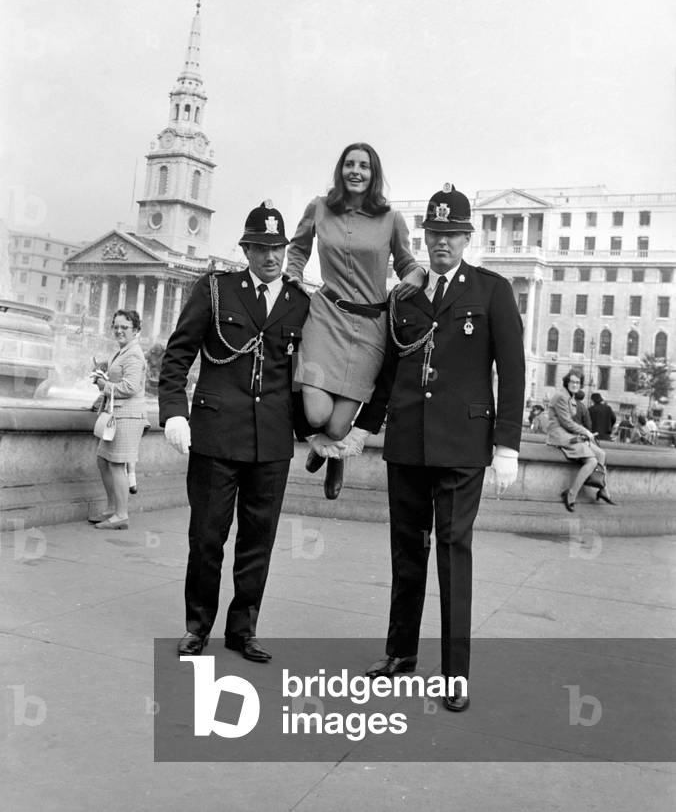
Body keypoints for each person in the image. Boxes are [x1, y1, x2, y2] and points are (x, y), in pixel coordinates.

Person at [345, 184, 525, 712]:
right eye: (435, 233)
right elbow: (388, 374)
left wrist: (508, 444)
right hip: (407, 444)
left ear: (468, 238)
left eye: (452, 234)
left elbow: (511, 372)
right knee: (406, 554)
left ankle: (454, 673)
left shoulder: (492, 290)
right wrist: (364, 427)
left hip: (462, 448)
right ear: (424, 237)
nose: (442, 242)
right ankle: (399, 655)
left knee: (452, 553)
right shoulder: (406, 297)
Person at [158, 201, 310, 661]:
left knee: (257, 542)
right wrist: (173, 412)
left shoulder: (300, 303)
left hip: (271, 442)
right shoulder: (217, 290)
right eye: (261, 247)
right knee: (206, 537)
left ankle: (243, 630)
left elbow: (306, 376)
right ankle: (197, 627)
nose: (270, 257)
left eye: (277, 248)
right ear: (245, 249)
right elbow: (178, 353)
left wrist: (320, 432)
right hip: (216, 436)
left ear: (286, 250)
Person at [285, 143, 424, 500]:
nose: (356, 171)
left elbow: (407, 261)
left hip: (370, 329)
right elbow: (298, 248)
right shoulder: (318, 208)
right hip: (325, 317)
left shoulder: (391, 218)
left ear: (374, 173)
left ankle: (334, 456)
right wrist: (295, 275)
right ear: (340, 169)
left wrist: (417, 275)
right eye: (349, 164)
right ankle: (328, 444)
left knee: (335, 425)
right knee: (316, 415)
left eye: (364, 165)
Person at [88, 309, 147, 530]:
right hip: (118, 414)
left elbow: (131, 387)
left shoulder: (133, 354)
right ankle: (113, 508)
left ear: (136, 330)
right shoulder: (122, 351)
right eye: (116, 326)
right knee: (103, 460)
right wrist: (101, 389)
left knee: (116, 464)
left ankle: (121, 515)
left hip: (128, 416)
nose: (119, 331)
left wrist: (105, 386)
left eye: (125, 327)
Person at [546, 370, 616, 510]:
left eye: (577, 382)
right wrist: (586, 432)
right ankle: (571, 494)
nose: (575, 384)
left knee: (601, 454)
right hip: (560, 435)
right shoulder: (561, 396)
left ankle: (602, 490)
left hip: (569, 434)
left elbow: (570, 424)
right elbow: (566, 422)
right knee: (592, 461)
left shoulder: (570, 397)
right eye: (572, 381)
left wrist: (585, 435)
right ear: (567, 382)